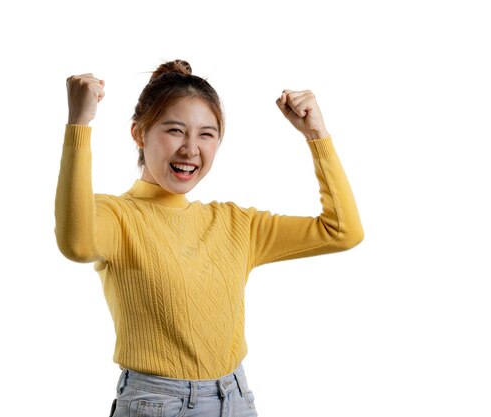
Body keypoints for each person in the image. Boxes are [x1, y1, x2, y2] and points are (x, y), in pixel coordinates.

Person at [55, 59, 363, 417]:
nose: (190, 149)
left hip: (235, 397)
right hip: (158, 403)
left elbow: (342, 231)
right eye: (174, 130)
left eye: (206, 134)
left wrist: (316, 135)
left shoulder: (236, 223)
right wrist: (79, 124)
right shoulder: (116, 215)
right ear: (139, 133)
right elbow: (75, 243)